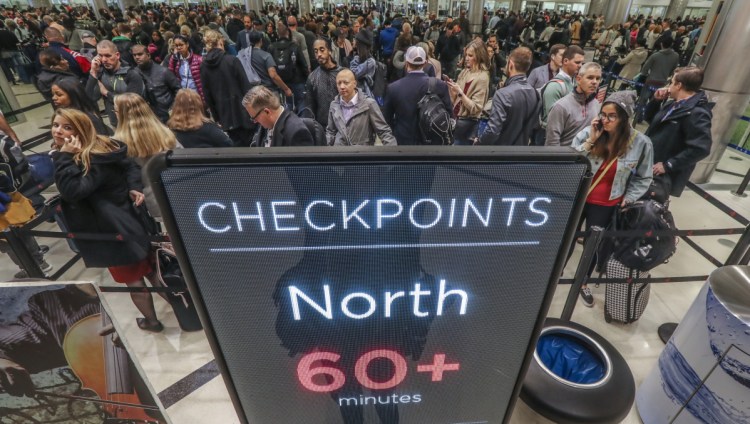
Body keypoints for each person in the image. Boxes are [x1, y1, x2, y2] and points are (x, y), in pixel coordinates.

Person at [50, 108, 162, 332]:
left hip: (111, 231)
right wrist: (133, 186)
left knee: (136, 280)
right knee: (151, 271)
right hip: (129, 221)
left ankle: (153, 321)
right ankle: (184, 314)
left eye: (66, 126)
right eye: (55, 125)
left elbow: (73, 191)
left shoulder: (87, 158)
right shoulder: (104, 145)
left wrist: (63, 159)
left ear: (80, 130)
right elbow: (129, 164)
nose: (58, 131)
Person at [570, 90, 653, 306]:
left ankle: (582, 282)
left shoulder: (641, 143)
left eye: (611, 116)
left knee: (593, 246)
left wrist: (629, 197)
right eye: (603, 114)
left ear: (624, 118)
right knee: (566, 240)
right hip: (578, 197)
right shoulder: (590, 133)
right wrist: (591, 141)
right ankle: (554, 275)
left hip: (607, 204)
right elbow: (571, 163)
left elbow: (644, 177)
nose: (604, 120)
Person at [645, 66, 712, 197]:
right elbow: (650, 120)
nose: (668, 86)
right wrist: (656, 101)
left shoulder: (697, 113)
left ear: (679, 85)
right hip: (647, 165)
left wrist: (668, 165)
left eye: (671, 82)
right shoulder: (673, 104)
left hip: (661, 178)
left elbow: (701, 148)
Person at [113, 93, 178, 222]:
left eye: (115, 110)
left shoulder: (117, 144)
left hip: (148, 205)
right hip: (177, 197)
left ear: (120, 114)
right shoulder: (167, 134)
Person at [382, 46, 452, 145]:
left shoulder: (393, 88)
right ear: (425, 63)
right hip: (432, 144)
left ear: (406, 63)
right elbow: (449, 116)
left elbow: (386, 119)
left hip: (404, 143)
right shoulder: (440, 86)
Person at [200, 30, 254, 147]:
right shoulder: (232, 60)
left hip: (224, 114)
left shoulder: (204, 66)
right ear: (220, 42)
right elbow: (246, 88)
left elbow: (207, 95)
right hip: (243, 112)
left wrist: (217, 117)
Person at [479, 47, 540, 146]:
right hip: (521, 153)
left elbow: (493, 131)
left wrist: (479, 143)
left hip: (501, 153)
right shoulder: (536, 94)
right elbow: (535, 126)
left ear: (511, 64)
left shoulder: (503, 94)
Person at [326, 68, 396, 146]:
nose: (342, 86)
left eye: (346, 83)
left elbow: (383, 131)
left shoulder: (368, 104)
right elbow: (330, 132)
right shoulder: (334, 105)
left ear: (354, 84)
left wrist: (392, 152)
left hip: (362, 154)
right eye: (339, 83)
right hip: (340, 153)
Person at [85, 40, 145, 127]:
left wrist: (106, 93)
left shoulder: (131, 74)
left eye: (108, 55)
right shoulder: (100, 72)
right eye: (100, 56)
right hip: (115, 121)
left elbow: (131, 103)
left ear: (117, 55)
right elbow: (89, 98)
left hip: (134, 122)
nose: (104, 60)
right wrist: (93, 73)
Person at [536, 45, 585, 146]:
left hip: (566, 138)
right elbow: (552, 124)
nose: (580, 66)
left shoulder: (574, 82)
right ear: (566, 61)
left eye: (581, 63)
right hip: (550, 140)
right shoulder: (555, 87)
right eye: (577, 62)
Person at [546, 62, 603, 147]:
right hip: (566, 157)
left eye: (598, 78)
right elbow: (552, 142)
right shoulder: (561, 106)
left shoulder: (596, 103)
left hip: (585, 155)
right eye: (590, 77)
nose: (594, 82)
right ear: (578, 79)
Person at [445, 40, 490, 145]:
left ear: (479, 57)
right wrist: (451, 88)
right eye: (466, 55)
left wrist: (460, 93)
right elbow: (455, 100)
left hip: (468, 125)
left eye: (470, 55)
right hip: (456, 121)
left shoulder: (483, 77)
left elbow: (476, 108)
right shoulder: (465, 72)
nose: (466, 58)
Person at [242, 85, 314, 147]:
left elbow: (301, 163)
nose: (255, 121)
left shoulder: (296, 132)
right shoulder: (266, 125)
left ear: (267, 112)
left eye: (254, 118)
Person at [131, 44, 180, 123]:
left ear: (148, 55)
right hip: (146, 118)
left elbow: (178, 90)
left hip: (167, 115)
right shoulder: (133, 74)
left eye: (140, 54)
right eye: (134, 55)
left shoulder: (164, 72)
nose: (137, 57)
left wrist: (173, 108)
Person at [168, 89, 232, 148]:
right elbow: (229, 145)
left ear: (175, 106)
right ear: (198, 105)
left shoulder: (171, 130)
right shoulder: (208, 128)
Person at [636, 37, 679, 123]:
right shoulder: (676, 56)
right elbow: (674, 70)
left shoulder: (655, 55)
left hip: (651, 80)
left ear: (661, 44)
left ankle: (638, 118)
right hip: (662, 82)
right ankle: (650, 118)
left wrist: (644, 75)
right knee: (656, 101)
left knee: (643, 99)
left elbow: (645, 68)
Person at [269, 22, 308, 113]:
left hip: (280, 81)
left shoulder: (271, 47)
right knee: (301, 103)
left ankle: (287, 122)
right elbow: (303, 63)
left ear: (277, 33)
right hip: (296, 80)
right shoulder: (294, 46)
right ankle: (302, 122)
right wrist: (306, 77)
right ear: (287, 32)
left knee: (285, 105)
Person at [305, 38, 342, 127]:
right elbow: (310, 107)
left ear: (329, 51)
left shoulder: (342, 74)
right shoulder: (312, 78)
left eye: (322, 50)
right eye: (316, 51)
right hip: (323, 127)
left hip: (343, 124)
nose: (319, 54)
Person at [248, 30, 292, 100]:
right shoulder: (266, 55)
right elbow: (273, 75)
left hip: (252, 92)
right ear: (261, 40)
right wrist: (286, 89)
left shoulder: (245, 56)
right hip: (268, 91)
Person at [167, 35, 205, 103]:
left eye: (181, 45)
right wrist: (173, 58)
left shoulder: (199, 59)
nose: (179, 47)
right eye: (176, 45)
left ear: (187, 44)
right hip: (183, 96)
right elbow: (170, 75)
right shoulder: (175, 59)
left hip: (197, 95)